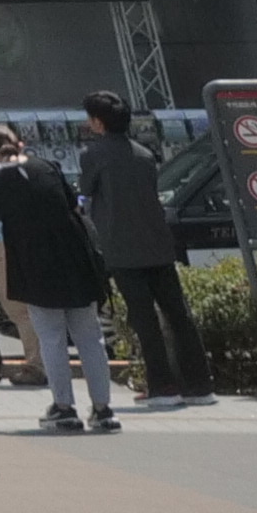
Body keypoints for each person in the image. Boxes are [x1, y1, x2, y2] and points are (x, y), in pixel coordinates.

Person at [0, 128, 118, 432]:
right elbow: (72, 203)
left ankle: (64, 408)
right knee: (90, 337)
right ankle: (103, 410)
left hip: (34, 262)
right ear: (19, 141)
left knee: (51, 338)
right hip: (76, 258)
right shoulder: (46, 167)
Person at [70, 96, 205, 402]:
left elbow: (86, 192)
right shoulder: (144, 154)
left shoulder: (94, 154)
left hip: (123, 247)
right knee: (178, 314)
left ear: (98, 122)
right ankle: (199, 385)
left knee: (144, 319)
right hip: (157, 243)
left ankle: (163, 386)